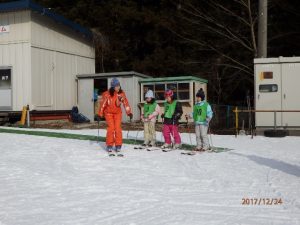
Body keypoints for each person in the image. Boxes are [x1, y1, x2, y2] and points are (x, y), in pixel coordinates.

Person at [98, 78, 133, 153]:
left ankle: (118, 145)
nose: (118, 87)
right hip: (108, 114)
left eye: (119, 85)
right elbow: (103, 105)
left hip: (117, 113)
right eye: (116, 86)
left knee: (117, 129)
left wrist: (129, 112)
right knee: (111, 129)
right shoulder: (107, 94)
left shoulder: (121, 93)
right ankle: (109, 145)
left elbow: (125, 103)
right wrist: (99, 114)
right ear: (113, 87)